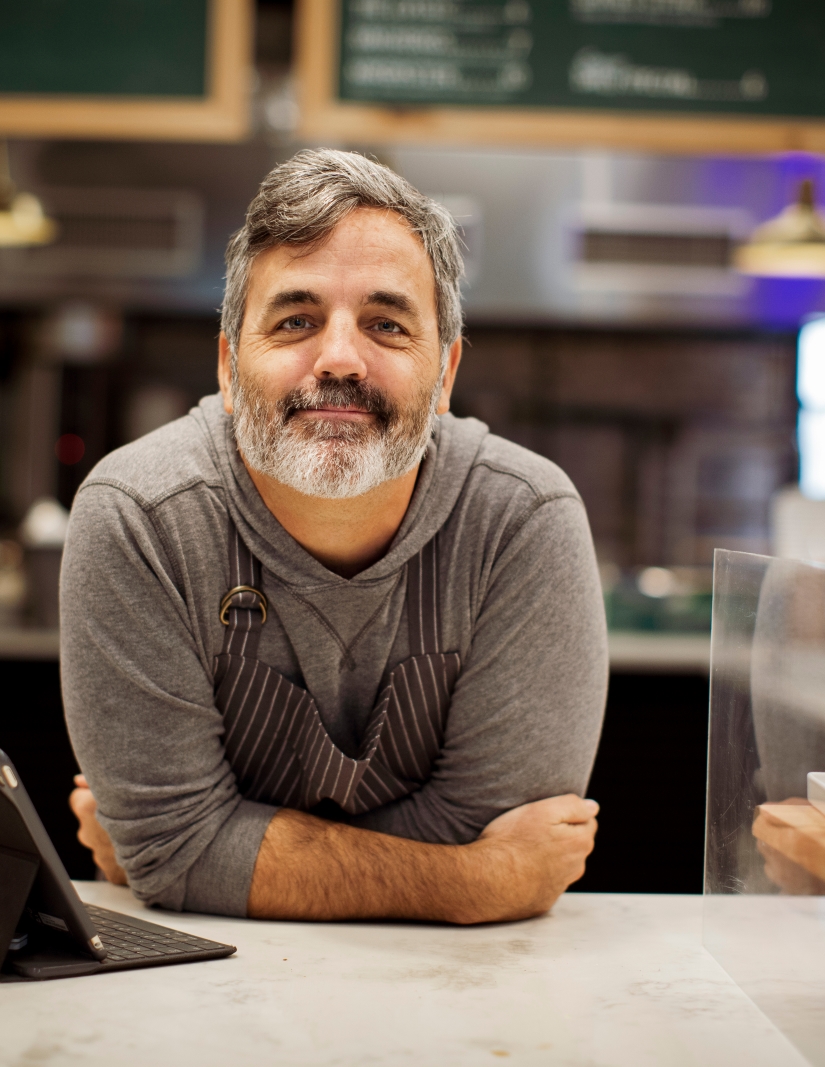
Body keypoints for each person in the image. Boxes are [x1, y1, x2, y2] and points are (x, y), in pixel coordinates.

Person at [62, 149, 607, 924]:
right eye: (296, 320)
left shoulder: (523, 521)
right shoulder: (139, 516)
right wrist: (478, 881)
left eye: (386, 323)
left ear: (445, 373)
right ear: (227, 367)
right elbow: (177, 848)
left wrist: (205, 855)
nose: (341, 358)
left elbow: (177, 852)